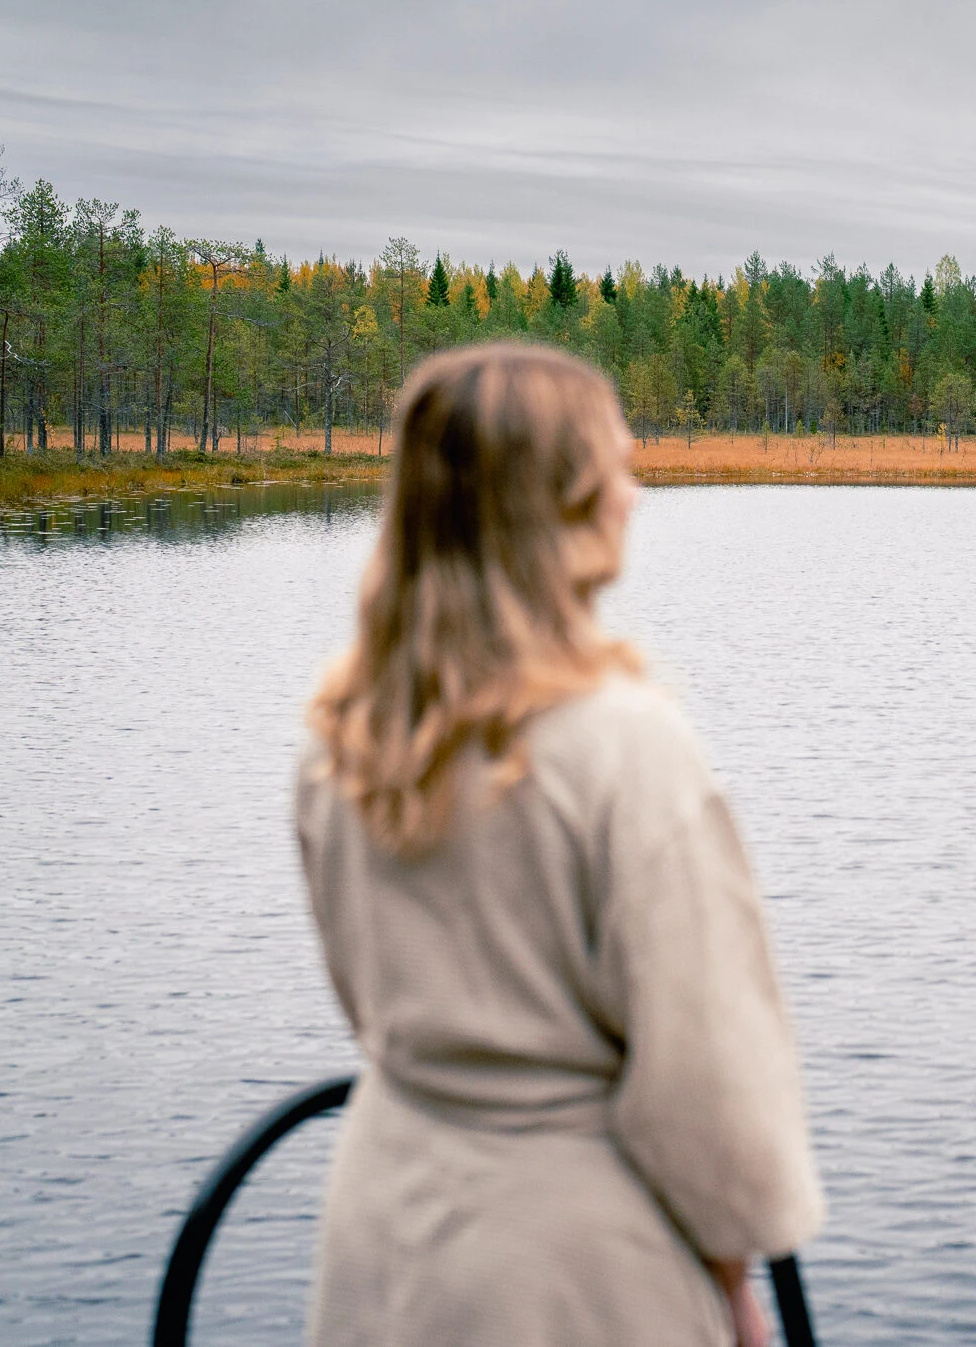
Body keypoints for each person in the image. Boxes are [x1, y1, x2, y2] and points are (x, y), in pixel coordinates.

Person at [295, 343, 822, 1346]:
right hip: (574, 1272)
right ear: (555, 505)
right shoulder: (625, 744)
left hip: (385, 1234)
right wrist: (734, 1280)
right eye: (615, 469)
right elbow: (707, 1078)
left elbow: (367, 1001)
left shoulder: (346, 735)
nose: (634, 496)